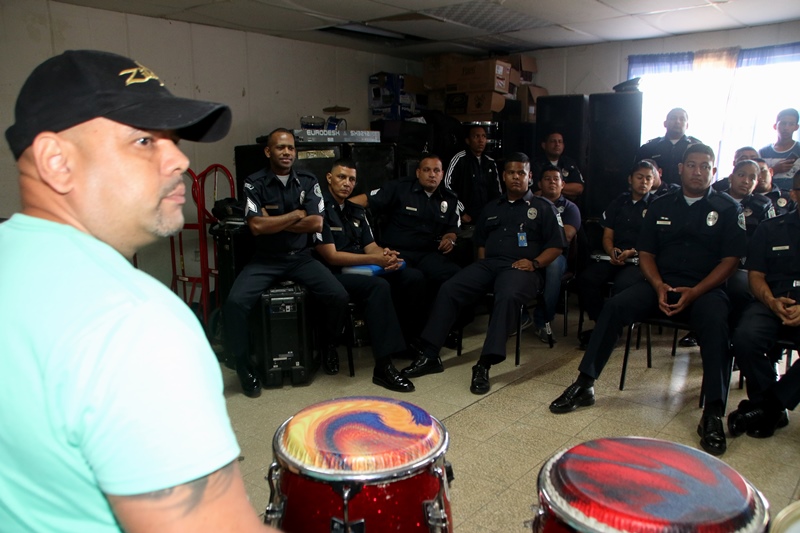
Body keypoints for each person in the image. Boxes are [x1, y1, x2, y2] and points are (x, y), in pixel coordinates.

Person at [0, 49, 278, 532]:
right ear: (56, 161)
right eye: (144, 140)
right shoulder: (135, 323)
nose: (180, 160)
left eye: (174, 140)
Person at [549, 144, 746, 457]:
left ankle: (713, 412)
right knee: (614, 307)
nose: (697, 172)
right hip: (659, 283)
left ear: (714, 171)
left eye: (704, 166)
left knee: (716, 324)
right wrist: (657, 285)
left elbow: (731, 261)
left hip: (704, 289)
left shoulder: (727, 208)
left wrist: (696, 291)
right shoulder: (661, 204)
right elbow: (647, 253)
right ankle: (585, 383)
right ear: (680, 169)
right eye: (691, 165)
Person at [399, 153, 567, 394]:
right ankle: (430, 354)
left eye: (521, 173)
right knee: (450, 288)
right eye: (511, 172)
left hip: (522, 268)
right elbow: (480, 242)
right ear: (504, 176)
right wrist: (482, 268)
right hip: (490, 264)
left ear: (530, 176)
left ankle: (484, 364)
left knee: (507, 295)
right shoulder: (492, 207)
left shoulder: (543, 208)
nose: (516, 177)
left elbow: (556, 246)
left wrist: (535, 263)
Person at [223, 128, 348, 395]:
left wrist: (274, 221)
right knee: (235, 303)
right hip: (265, 260)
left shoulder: (308, 180)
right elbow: (256, 227)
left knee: (337, 296)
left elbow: (316, 223)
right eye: (281, 148)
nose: (287, 152)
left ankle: (328, 346)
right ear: (268, 151)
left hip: (301, 258)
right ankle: (243, 364)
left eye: (291, 148)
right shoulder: (253, 183)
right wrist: (296, 214)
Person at [313, 159, 417, 392]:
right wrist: (374, 260)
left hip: (363, 268)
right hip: (333, 274)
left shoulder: (357, 211)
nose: (347, 183)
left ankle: (405, 343)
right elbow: (331, 257)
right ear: (329, 178)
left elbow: (371, 247)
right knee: (378, 287)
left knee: (411, 278)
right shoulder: (319, 211)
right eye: (341, 177)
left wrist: (386, 255)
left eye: (351, 179)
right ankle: (383, 367)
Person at [350, 155, 461, 339]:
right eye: (426, 170)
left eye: (436, 171)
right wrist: (335, 208)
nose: (431, 174)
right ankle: (411, 336)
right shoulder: (400, 188)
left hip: (428, 254)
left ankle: (440, 329)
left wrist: (450, 237)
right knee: (413, 279)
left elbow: (453, 227)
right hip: (399, 252)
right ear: (418, 172)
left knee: (454, 275)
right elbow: (367, 200)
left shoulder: (449, 198)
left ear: (442, 174)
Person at [728, 174, 800, 439]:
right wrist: (771, 301)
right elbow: (755, 275)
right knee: (745, 337)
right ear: (794, 194)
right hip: (771, 299)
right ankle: (770, 407)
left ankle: (768, 407)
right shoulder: (771, 228)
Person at [577, 161, 656, 348]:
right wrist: (610, 250)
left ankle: (608, 332)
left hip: (640, 260)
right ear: (630, 179)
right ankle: (604, 326)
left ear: (653, 182)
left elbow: (656, 241)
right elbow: (607, 235)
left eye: (648, 178)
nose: (644, 182)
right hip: (614, 257)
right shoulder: (619, 202)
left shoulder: (657, 205)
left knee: (623, 286)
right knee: (587, 279)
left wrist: (633, 251)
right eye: (640, 177)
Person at [530, 164, 581, 343]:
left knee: (552, 265)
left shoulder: (570, 208)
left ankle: (543, 320)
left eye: (556, 179)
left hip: (557, 256)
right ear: (539, 184)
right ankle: (517, 317)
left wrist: (538, 237)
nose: (552, 182)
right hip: (529, 252)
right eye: (547, 179)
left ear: (563, 184)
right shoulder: (530, 204)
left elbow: (565, 237)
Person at [443, 124, 502, 227]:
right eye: (476, 136)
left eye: (483, 136)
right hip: (465, 220)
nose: (481, 140)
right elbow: (447, 187)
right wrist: (462, 212)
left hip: (487, 218)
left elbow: (497, 192)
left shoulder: (490, 162)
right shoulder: (459, 159)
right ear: (468, 141)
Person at [635, 108, 702, 189]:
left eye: (682, 119)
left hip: (686, 193)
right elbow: (636, 173)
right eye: (673, 118)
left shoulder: (696, 148)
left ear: (687, 125)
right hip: (656, 194)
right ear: (665, 123)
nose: (677, 122)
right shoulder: (650, 147)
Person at [532, 131, 585, 200]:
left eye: (560, 141)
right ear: (544, 145)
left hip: (566, 205)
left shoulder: (569, 163)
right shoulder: (535, 164)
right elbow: (536, 191)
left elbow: (578, 188)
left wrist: (550, 189)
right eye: (553, 141)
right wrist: (566, 190)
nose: (557, 144)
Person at [759, 108, 800, 191]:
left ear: (796, 127)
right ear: (775, 126)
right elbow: (755, 178)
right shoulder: (763, 152)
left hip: (795, 197)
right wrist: (775, 169)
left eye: (791, 124)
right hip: (769, 196)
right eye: (783, 123)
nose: (786, 128)